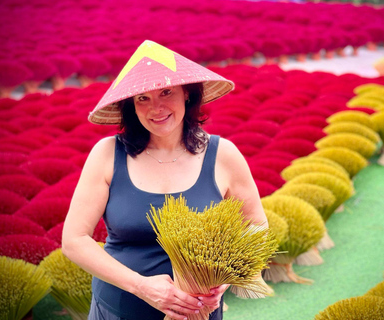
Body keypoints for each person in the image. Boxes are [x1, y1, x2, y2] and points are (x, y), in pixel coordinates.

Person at [62, 40, 268, 320]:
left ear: (187, 94)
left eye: (166, 92)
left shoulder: (223, 155)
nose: (156, 108)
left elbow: (256, 226)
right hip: (119, 309)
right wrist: (142, 287)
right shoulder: (108, 154)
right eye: (142, 98)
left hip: (197, 312)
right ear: (131, 106)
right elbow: (74, 240)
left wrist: (225, 277)